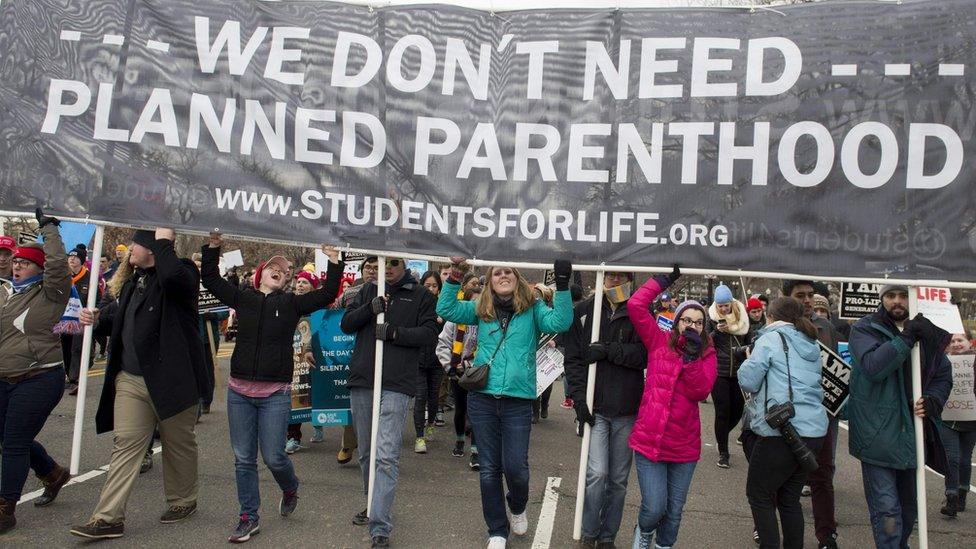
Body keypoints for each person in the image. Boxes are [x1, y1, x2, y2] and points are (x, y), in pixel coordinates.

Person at [201, 233, 342, 543]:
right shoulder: (242, 297)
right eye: (273, 267)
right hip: (239, 392)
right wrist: (213, 246)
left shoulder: (291, 303)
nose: (280, 271)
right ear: (260, 274)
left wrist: (334, 261)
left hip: (275, 394)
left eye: (284, 270)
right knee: (243, 459)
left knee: (275, 457)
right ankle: (248, 516)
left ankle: (290, 487)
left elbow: (328, 293)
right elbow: (209, 277)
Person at [70, 228, 210, 540]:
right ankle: (108, 518)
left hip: (172, 381)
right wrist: (98, 318)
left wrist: (163, 241)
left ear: (152, 247)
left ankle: (182, 500)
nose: (129, 248)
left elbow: (172, 277)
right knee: (125, 446)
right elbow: (124, 318)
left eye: (136, 243)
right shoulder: (134, 281)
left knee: (178, 444)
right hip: (131, 380)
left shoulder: (182, 274)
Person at [437, 257, 574, 549]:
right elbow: (445, 308)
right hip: (483, 398)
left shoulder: (533, 308)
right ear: (491, 278)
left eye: (507, 272)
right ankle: (497, 530)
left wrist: (562, 285)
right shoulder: (481, 308)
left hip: (518, 400)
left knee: (516, 467)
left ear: (517, 277)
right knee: (489, 469)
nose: (502, 276)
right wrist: (456, 274)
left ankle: (518, 505)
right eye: (496, 272)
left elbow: (561, 321)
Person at [341, 256, 439, 549]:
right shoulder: (369, 290)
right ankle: (373, 503)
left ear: (404, 264)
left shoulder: (420, 294)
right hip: (363, 379)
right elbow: (346, 324)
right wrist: (370, 310)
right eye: (384, 263)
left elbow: (430, 334)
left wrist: (396, 333)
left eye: (394, 262)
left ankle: (380, 526)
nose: (389, 267)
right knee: (367, 452)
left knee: (386, 454)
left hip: (396, 383)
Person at [848, 284, 952, 549]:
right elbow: (873, 367)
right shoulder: (864, 329)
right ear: (882, 299)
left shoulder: (927, 332)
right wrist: (906, 339)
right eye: (891, 296)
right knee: (887, 511)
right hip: (877, 437)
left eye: (904, 295)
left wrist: (934, 400)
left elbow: (942, 374)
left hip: (912, 435)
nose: (897, 301)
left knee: (907, 511)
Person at [627, 267, 717, 549]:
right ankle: (643, 533)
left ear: (704, 328)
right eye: (686, 319)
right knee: (654, 507)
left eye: (698, 322)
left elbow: (701, 390)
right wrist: (663, 280)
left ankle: (663, 545)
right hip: (649, 441)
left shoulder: (707, 354)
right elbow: (635, 305)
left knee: (674, 512)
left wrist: (691, 360)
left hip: (683, 447)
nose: (692, 325)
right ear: (677, 321)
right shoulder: (657, 344)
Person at [0, 209, 72, 534]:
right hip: (4, 377)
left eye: (25, 262)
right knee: (7, 439)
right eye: (15, 261)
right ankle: (53, 473)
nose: (17, 266)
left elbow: (57, 265)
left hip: (40, 377)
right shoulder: (4, 294)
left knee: (14, 442)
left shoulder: (50, 292)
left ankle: (5, 508)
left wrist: (50, 229)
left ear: (39, 269)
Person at [564, 271, 647, 548]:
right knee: (597, 474)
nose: (614, 281)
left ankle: (607, 536)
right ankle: (589, 532)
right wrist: (578, 399)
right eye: (609, 276)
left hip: (627, 408)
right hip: (596, 407)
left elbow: (645, 355)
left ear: (629, 279)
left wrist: (610, 350)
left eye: (620, 277)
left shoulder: (639, 311)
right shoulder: (585, 311)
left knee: (619, 480)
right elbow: (573, 359)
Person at [738, 297, 828, 549]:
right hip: (814, 431)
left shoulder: (769, 339)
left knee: (759, 494)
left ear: (770, 316)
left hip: (781, 430)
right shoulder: (811, 342)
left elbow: (748, 381)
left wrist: (748, 357)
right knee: (789, 499)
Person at [782, 280, 844, 549]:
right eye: (800, 295)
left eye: (810, 295)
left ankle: (827, 535)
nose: (806, 300)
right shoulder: (776, 330)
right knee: (779, 477)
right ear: (787, 298)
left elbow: (840, 373)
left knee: (822, 476)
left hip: (822, 416)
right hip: (784, 416)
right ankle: (769, 528)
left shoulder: (827, 328)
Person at [336, 255, 379, 466]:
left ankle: (374, 449)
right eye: (368, 267)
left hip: (376, 354)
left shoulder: (389, 292)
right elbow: (330, 320)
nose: (371, 271)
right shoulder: (350, 292)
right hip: (349, 354)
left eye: (376, 267)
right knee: (353, 404)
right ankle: (348, 443)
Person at [436, 286, 482, 469]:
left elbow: (488, 347)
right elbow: (443, 343)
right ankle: (460, 440)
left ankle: (476, 451)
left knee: (477, 412)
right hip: (457, 372)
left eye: (480, 301)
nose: (476, 305)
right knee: (461, 409)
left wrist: (470, 365)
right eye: (473, 301)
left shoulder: (486, 321)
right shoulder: (454, 322)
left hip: (478, 373)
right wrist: (450, 366)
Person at [708, 283, 750, 469]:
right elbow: (705, 342)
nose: (723, 309)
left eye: (726, 305)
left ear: (732, 303)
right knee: (722, 412)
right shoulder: (711, 318)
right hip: (719, 372)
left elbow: (750, 341)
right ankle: (723, 452)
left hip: (739, 372)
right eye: (720, 306)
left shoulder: (743, 318)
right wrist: (716, 331)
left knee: (738, 411)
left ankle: (721, 435)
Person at [285, 271, 326, 454]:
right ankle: (293, 437)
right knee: (297, 395)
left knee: (316, 392)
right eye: (298, 282)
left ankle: (319, 422)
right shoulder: (289, 304)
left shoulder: (319, 307)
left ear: (313, 286)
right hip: (294, 358)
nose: (300, 285)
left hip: (315, 357)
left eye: (305, 282)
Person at [939, 329, 975, 517]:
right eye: (952, 341)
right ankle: (951, 496)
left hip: (971, 419)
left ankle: (962, 492)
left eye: (960, 340)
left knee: (964, 460)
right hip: (948, 418)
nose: (956, 344)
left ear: (970, 342)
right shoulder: (943, 361)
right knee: (951, 458)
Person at [64, 243, 102, 395]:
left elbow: (99, 298)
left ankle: (76, 380)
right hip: (65, 319)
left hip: (82, 319)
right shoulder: (64, 277)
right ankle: (70, 375)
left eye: (75, 257)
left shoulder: (90, 277)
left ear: (81, 260)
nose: (72, 259)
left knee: (78, 348)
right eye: (70, 256)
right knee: (66, 348)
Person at [414, 270, 444, 453]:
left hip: (437, 360)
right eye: (428, 285)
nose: (431, 289)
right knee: (420, 397)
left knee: (434, 397)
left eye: (435, 286)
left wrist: (441, 320)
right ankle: (419, 437)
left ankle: (431, 423)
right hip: (418, 359)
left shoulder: (443, 306)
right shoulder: (416, 305)